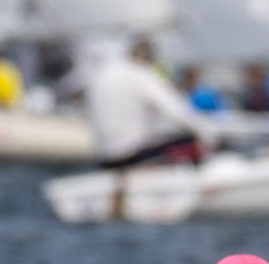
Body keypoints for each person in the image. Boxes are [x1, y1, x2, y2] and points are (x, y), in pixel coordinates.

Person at [88, 37, 213, 169]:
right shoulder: (138, 73)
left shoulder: (102, 72)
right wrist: (207, 133)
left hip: (104, 158)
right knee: (188, 138)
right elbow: (176, 111)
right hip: (132, 155)